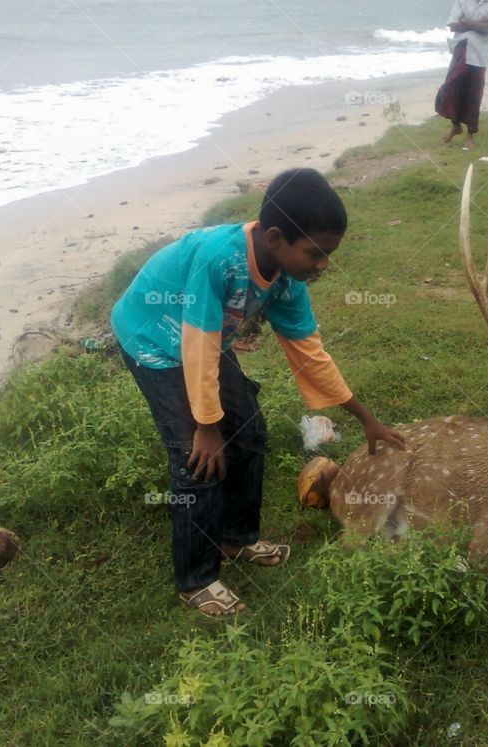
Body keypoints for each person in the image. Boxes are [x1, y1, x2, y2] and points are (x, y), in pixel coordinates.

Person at [111, 169, 406, 616]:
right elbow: (198, 347)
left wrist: (363, 416)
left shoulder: (289, 279)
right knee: (197, 459)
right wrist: (206, 427)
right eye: (316, 253)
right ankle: (197, 579)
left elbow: (310, 354)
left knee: (247, 430)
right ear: (275, 238)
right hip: (154, 337)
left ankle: (236, 538)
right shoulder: (219, 260)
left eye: (328, 254)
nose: (323, 264)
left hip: (203, 339)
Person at [436, 0, 488, 149]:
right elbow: (453, 25)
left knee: (474, 94)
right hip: (461, 48)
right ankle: (456, 125)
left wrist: (466, 21)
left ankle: (470, 135)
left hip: (480, 53)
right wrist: (480, 24)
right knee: (450, 88)